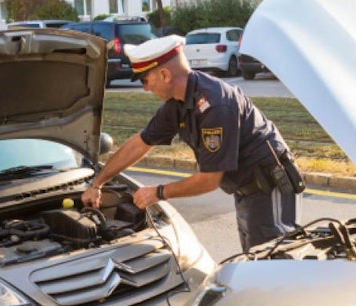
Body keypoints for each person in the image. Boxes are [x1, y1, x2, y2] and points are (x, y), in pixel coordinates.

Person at [82, 35, 301, 252]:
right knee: (256, 261)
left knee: (273, 265)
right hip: (247, 192)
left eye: (145, 80)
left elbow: (209, 180)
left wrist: (158, 192)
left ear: (165, 74)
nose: (145, 88)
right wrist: (97, 183)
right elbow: (140, 143)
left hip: (269, 187)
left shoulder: (215, 105)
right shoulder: (178, 103)